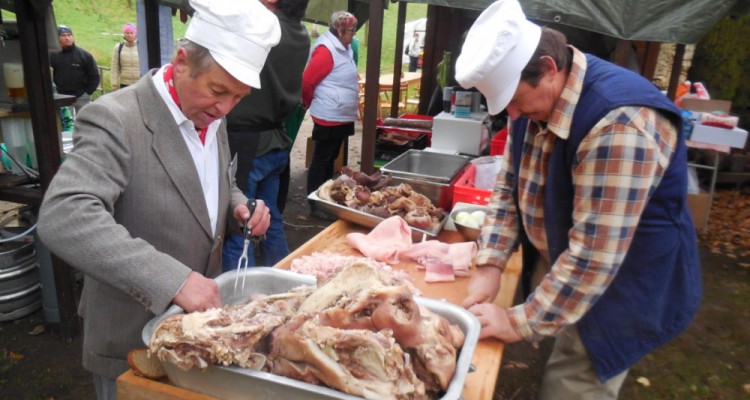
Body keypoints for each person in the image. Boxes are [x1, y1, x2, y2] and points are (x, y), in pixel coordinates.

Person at [454, 1, 701, 399]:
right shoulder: (534, 104)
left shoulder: (620, 123)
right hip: (572, 261)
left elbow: (594, 257)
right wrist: (490, 262)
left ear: (549, 68)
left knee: (571, 385)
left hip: (622, 283)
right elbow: (508, 188)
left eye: (515, 101)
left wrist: (518, 322)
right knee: (552, 342)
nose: (512, 116)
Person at [37, 0, 279, 398]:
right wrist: (175, 280)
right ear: (182, 61)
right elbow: (65, 215)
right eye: (219, 91)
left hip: (197, 338)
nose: (224, 108)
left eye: (238, 98)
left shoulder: (210, 114)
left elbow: (210, 181)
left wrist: (238, 205)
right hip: (131, 338)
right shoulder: (116, 118)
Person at [222, 0, 310, 270]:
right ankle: (279, 278)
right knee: (270, 219)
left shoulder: (264, 28)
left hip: (249, 143)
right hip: (275, 141)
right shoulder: (301, 33)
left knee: (240, 225)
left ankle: (233, 297)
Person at [302, 10, 359, 220]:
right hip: (329, 115)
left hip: (341, 114)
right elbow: (308, 81)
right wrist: (307, 103)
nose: (354, 34)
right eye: (352, 30)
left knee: (331, 158)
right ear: (340, 30)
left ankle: (326, 197)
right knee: (321, 159)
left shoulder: (344, 47)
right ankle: (316, 203)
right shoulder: (326, 50)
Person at [50, 24, 100, 113]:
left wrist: (88, 93)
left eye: (69, 35)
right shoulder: (53, 56)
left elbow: (94, 75)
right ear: (57, 38)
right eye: (63, 36)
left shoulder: (84, 55)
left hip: (81, 97)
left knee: (84, 122)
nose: (67, 38)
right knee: (65, 124)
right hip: (61, 96)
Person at [110, 22, 140, 90]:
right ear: (124, 34)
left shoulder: (142, 47)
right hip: (125, 83)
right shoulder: (118, 47)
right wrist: (114, 84)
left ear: (135, 34)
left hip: (140, 83)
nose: (129, 35)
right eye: (127, 33)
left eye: (131, 33)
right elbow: (114, 66)